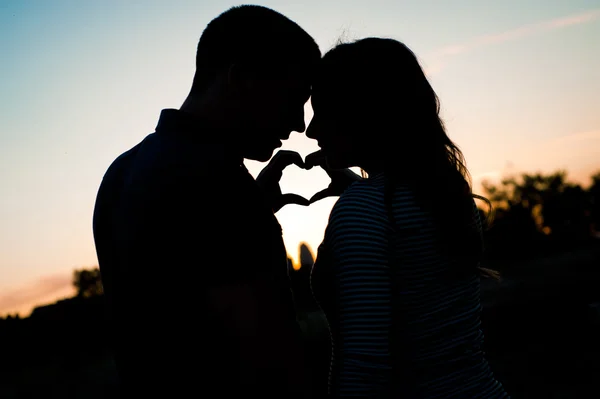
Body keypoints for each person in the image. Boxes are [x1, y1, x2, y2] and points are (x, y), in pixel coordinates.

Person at [92, 5, 320, 398]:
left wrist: (254, 208)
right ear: (240, 78)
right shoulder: (218, 184)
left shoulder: (120, 173)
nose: (300, 123)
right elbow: (262, 358)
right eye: (293, 98)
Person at [304, 37, 510, 397]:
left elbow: (365, 370)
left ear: (364, 113)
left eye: (323, 111)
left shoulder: (364, 209)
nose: (311, 130)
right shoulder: (449, 198)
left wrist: (363, 199)